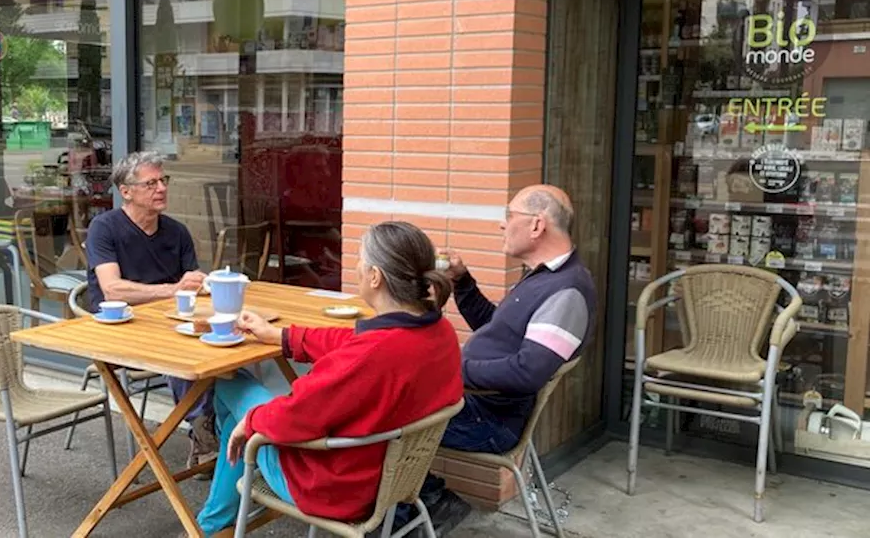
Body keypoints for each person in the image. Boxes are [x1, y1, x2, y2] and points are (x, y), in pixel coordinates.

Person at [195, 221, 464, 536]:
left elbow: (294, 417)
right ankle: (212, 524)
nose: (356, 267)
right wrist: (281, 336)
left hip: (328, 487)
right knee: (237, 426)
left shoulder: (371, 355)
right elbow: (353, 343)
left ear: (375, 277)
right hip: (388, 479)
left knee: (229, 381)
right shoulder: (439, 331)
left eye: (360, 260)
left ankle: (212, 522)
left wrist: (252, 420)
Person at [401, 185, 597, 535]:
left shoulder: (567, 291)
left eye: (509, 216)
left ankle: (425, 505)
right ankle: (418, 504)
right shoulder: (544, 277)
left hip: (490, 422)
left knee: (382, 413)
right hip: (478, 405)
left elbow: (526, 373)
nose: (501, 225)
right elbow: (494, 329)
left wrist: (452, 371)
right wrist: (461, 282)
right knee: (388, 398)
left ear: (537, 225)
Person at [84, 151, 215, 469]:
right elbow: (112, 288)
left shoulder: (177, 231)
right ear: (126, 191)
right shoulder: (104, 228)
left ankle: (217, 432)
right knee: (185, 357)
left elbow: (191, 287)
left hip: (169, 322)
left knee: (225, 349)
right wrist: (172, 290)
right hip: (118, 329)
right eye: (151, 183)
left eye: (163, 180)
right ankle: (207, 437)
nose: (161, 188)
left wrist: (206, 284)